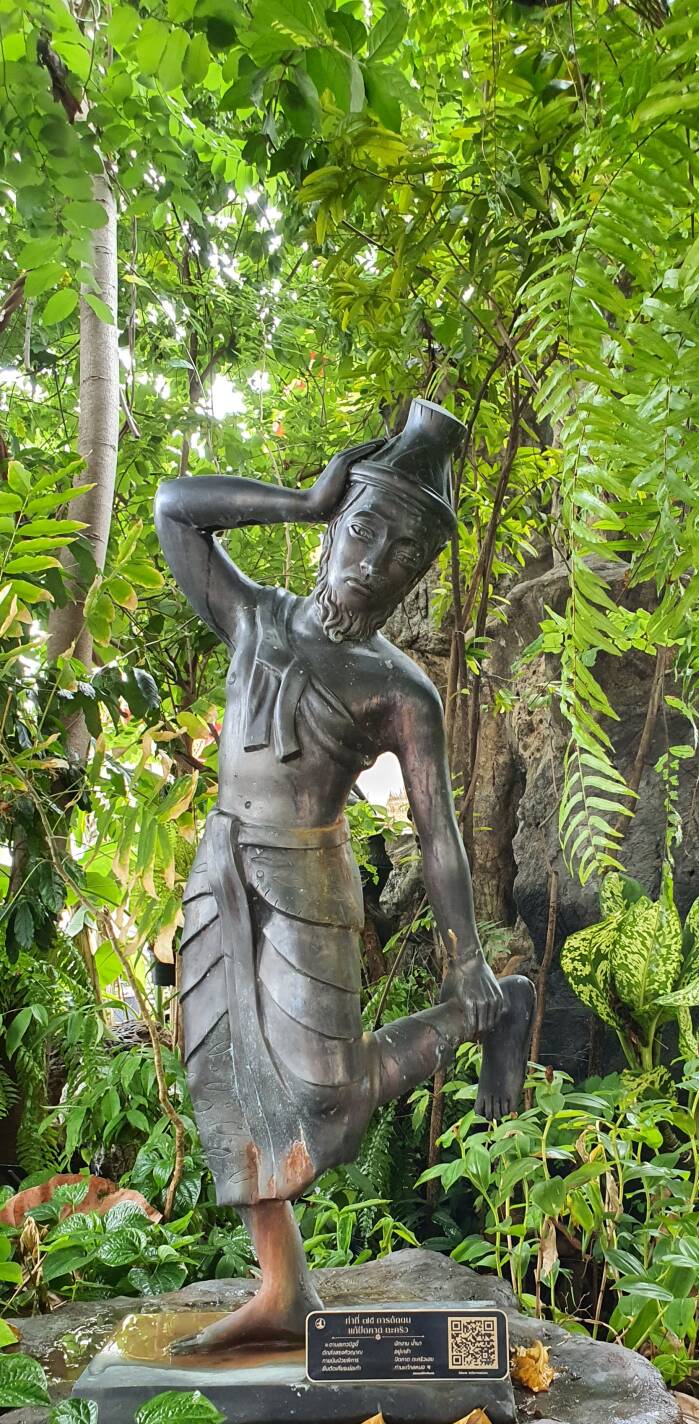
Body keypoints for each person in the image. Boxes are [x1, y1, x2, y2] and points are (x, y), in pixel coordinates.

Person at [154, 398, 535, 1350]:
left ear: (418, 577)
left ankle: (494, 1014)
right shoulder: (253, 617)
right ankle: (282, 1291)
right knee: (229, 1078)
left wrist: (467, 962)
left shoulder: (400, 690)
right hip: (223, 871)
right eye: (362, 531)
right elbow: (173, 507)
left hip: (311, 881)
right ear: (338, 527)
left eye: (403, 556)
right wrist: (304, 498)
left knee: (325, 1093)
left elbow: (441, 837)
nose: (373, 563)